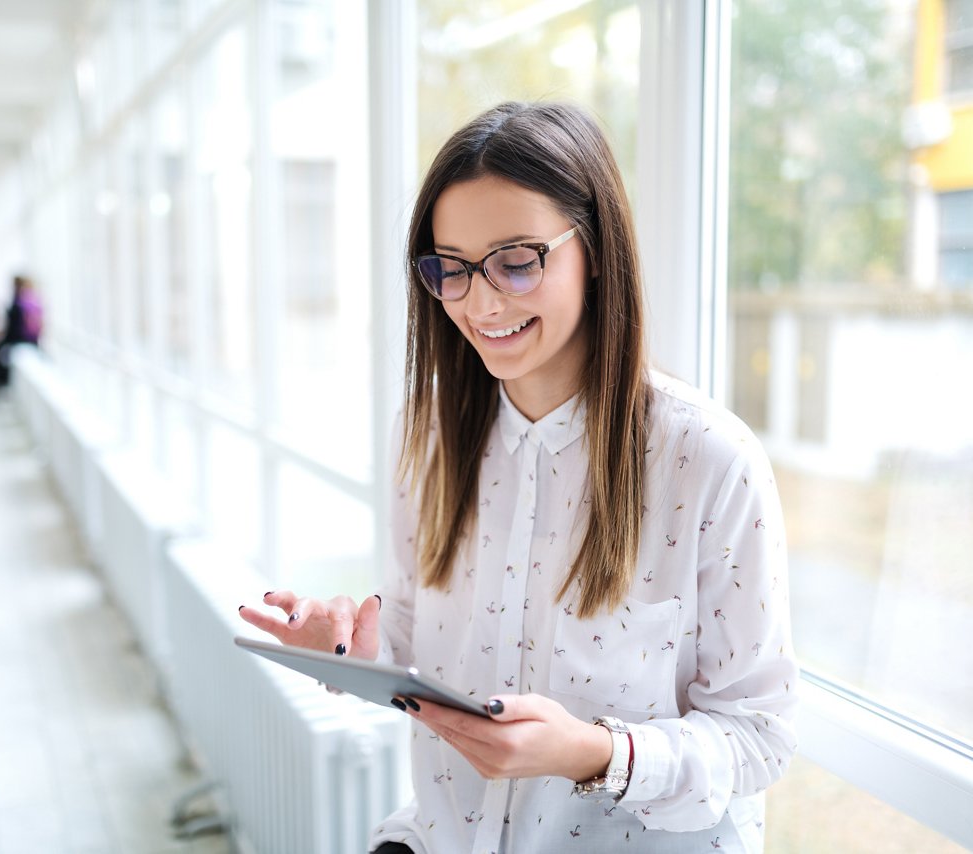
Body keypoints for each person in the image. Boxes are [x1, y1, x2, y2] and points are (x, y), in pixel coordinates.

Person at [239, 101, 797, 853]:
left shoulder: (708, 461)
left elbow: (757, 738)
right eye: (453, 270)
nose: (482, 301)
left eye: (517, 260)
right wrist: (348, 648)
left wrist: (592, 754)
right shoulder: (430, 433)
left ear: (594, 249)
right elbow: (424, 633)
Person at [0, 274, 42, 389]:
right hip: (26, 341)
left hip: (20, 341)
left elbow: (13, 329)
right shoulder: (29, 302)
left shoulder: (21, 305)